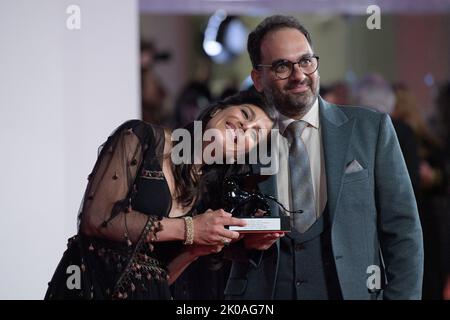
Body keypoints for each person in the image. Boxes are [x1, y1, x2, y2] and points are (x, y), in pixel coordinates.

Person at [224, 15, 423, 300]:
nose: (299, 75)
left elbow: (404, 231)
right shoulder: (242, 140)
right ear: (258, 78)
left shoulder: (370, 129)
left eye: (306, 61)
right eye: (282, 66)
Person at [45, 89, 275, 300]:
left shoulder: (206, 197)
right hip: (86, 288)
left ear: (242, 155)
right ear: (217, 110)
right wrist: (190, 228)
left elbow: (157, 278)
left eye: (255, 135)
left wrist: (194, 250)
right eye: (245, 114)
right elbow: (97, 220)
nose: (246, 126)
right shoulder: (141, 138)